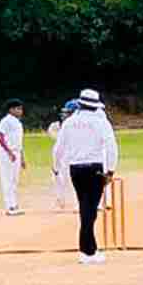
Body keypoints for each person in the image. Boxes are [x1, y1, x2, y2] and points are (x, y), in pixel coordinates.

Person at [53, 87, 119, 264]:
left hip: (75, 169)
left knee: (85, 206)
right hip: (95, 168)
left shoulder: (69, 122)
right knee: (90, 209)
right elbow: (111, 147)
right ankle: (86, 250)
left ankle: (90, 249)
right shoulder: (100, 122)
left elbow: (58, 148)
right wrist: (111, 170)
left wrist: (56, 166)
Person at [0, 99, 27, 215]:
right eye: (18, 109)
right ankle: (9, 206)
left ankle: (14, 204)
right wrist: (9, 152)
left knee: (14, 180)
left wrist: (22, 157)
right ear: (11, 109)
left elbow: (19, 141)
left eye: (21, 108)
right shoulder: (6, 120)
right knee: (7, 179)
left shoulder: (18, 122)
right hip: (7, 153)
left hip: (16, 152)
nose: (20, 111)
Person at [46, 102, 75, 210]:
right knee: (57, 178)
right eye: (64, 113)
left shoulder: (75, 126)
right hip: (60, 154)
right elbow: (52, 134)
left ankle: (77, 202)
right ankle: (60, 201)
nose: (64, 115)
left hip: (71, 155)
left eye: (67, 113)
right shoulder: (56, 126)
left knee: (72, 180)